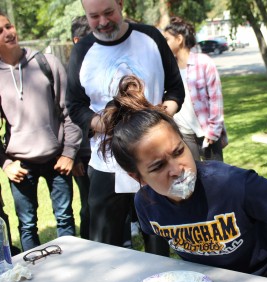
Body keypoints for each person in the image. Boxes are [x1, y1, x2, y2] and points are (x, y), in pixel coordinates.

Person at [99, 74, 267, 282]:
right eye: (158, 166)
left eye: (178, 152)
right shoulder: (146, 205)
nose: (176, 169)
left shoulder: (233, 184)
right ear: (137, 177)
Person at [66, 0, 185, 255]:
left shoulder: (150, 38)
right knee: (104, 242)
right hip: (106, 162)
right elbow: (75, 105)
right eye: (94, 16)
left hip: (154, 159)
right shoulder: (83, 50)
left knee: (157, 239)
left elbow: (175, 89)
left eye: (108, 12)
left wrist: (159, 117)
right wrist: (103, 124)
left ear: (120, 5)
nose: (103, 22)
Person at [0, 11, 81, 251]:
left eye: (8, 26)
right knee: (27, 225)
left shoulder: (46, 63)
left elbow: (70, 111)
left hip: (57, 160)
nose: (8, 33)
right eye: (0, 31)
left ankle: (71, 268)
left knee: (65, 219)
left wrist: (69, 152)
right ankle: (35, 278)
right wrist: (5, 164)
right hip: (20, 165)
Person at [163, 16, 227, 161]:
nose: (163, 43)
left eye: (167, 39)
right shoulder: (168, 68)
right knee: (193, 177)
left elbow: (216, 99)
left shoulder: (204, 63)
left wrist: (214, 131)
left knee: (216, 177)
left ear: (179, 39)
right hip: (183, 133)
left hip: (207, 132)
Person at [70, 15, 92, 239]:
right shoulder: (71, 73)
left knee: (116, 206)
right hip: (83, 154)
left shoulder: (100, 66)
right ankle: (88, 244)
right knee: (88, 206)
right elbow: (68, 115)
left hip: (107, 150)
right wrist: (73, 155)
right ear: (78, 41)